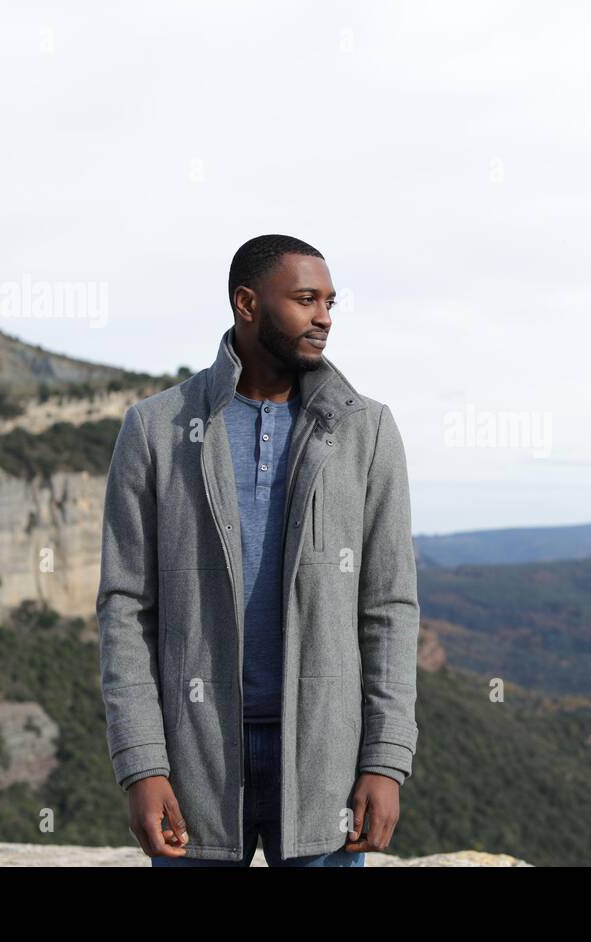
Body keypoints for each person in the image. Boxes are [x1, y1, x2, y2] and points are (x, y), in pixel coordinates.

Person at [97, 234, 420, 866]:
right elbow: (125, 609)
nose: (324, 317)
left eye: (330, 302)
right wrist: (141, 764)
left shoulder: (367, 429)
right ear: (247, 303)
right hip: (195, 758)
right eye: (305, 300)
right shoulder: (157, 428)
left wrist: (386, 760)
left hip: (326, 756)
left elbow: (389, 606)